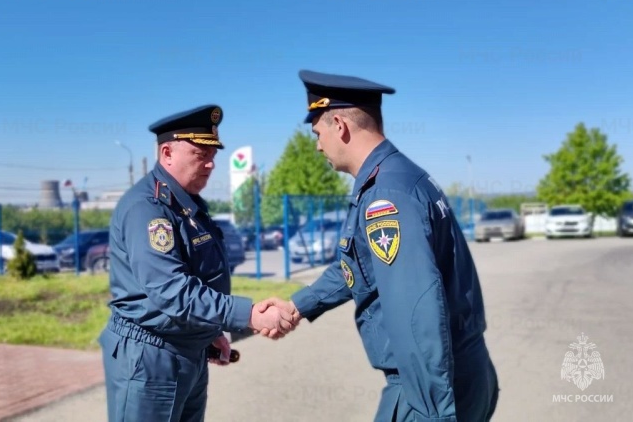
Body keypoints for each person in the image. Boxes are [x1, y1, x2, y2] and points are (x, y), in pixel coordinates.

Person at [258, 70, 499, 421]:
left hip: (429, 388)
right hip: (458, 372)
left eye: (317, 132)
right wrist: (298, 305)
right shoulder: (399, 176)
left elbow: (417, 309)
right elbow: (360, 266)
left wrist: (433, 413)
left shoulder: (385, 196)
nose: (317, 145)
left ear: (339, 124)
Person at [98, 104, 295, 422]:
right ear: (167, 153)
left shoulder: (187, 204)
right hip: (151, 357)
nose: (210, 163)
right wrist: (248, 315)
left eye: (213, 154)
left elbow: (199, 275)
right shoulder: (146, 209)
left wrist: (208, 333)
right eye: (200, 153)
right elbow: (171, 290)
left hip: (186, 350)